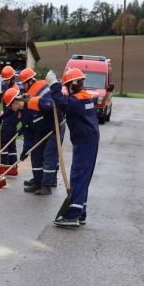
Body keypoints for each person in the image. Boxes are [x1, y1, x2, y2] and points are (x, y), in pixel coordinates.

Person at [46, 67, 100, 228]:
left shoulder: (78, 100)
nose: (65, 89)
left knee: (78, 176)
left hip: (85, 143)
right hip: (88, 141)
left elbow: (64, 103)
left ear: (71, 85)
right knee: (82, 177)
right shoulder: (82, 97)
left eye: (65, 86)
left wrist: (54, 85)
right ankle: (81, 212)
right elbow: (66, 104)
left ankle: (73, 215)